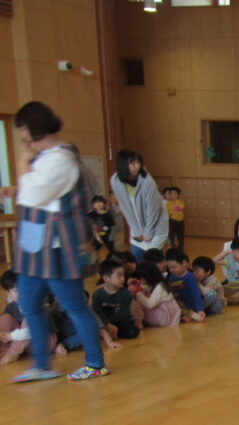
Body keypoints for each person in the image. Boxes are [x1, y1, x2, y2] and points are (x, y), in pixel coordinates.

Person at [0, 101, 108, 382]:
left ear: (38, 131)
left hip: (59, 249)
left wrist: (21, 165)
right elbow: (39, 191)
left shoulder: (61, 159)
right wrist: (17, 187)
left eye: (26, 136)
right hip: (37, 248)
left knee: (74, 306)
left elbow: (36, 195)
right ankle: (42, 365)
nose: (25, 143)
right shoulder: (48, 157)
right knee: (29, 304)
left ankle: (95, 363)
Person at [109, 149, 168, 262]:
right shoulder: (115, 180)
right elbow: (125, 207)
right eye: (132, 163)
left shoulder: (147, 181)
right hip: (137, 224)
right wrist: (136, 231)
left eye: (138, 162)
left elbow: (153, 209)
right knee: (135, 259)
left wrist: (148, 232)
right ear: (123, 165)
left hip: (156, 224)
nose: (137, 166)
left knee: (153, 260)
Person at [92, 258, 141, 340]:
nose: (123, 279)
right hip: (104, 323)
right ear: (106, 278)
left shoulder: (126, 293)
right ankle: (108, 333)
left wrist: (112, 325)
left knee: (133, 331)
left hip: (120, 321)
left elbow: (123, 314)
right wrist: (108, 325)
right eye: (119, 276)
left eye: (123, 275)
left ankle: (111, 333)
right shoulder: (97, 294)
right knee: (93, 328)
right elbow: (97, 312)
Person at [132, 261, 181, 327]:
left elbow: (150, 304)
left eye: (142, 278)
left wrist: (138, 293)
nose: (141, 280)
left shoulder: (160, 286)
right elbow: (147, 289)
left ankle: (138, 321)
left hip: (164, 316)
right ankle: (138, 321)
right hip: (162, 313)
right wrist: (137, 286)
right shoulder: (155, 283)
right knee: (138, 299)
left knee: (139, 299)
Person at [164, 249, 206, 322]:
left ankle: (191, 314)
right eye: (169, 267)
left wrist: (200, 309)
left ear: (184, 263)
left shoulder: (189, 277)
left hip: (190, 305)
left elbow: (196, 294)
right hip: (179, 304)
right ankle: (185, 316)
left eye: (174, 267)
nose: (172, 270)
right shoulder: (172, 276)